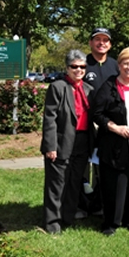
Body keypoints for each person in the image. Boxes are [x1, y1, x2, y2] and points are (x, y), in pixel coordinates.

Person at [92, 47, 129, 236]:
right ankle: (111, 222)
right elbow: (97, 113)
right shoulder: (108, 86)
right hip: (114, 145)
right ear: (119, 65)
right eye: (125, 63)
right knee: (114, 184)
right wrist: (114, 127)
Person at [40, 50, 94, 234]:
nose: (78, 70)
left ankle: (68, 216)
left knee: (74, 182)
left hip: (82, 141)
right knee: (57, 184)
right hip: (62, 141)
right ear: (67, 68)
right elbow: (50, 118)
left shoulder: (88, 89)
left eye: (82, 67)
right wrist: (50, 146)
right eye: (74, 67)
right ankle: (52, 222)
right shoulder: (58, 87)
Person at [79, 27, 119, 218]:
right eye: (97, 40)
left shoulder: (115, 65)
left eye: (105, 40)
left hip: (106, 124)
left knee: (102, 167)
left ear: (110, 44)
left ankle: (98, 205)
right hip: (85, 123)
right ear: (90, 42)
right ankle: (81, 205)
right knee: (82, 167)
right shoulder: (82, 64)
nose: (101, 43)